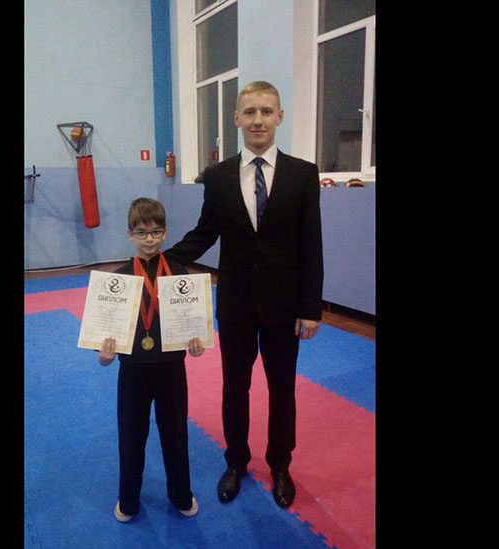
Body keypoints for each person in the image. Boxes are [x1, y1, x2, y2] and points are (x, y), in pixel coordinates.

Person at [164, 81, 323, 509]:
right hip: (235, 304)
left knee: (282, 389)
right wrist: (159, 262)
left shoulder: (303, 174)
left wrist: (310, 308)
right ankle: (235, 461)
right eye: (249, 112)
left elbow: (312, 244)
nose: (258, 120)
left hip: (285, 306)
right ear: (236, 118)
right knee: (235, 387)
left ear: (280, 117)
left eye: (266, 111)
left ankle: (280, 464)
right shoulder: (218, 177)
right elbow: (204, 233)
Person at [98, 197, 206, 523]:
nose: (149, 239)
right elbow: (104, 337)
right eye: (142, 232)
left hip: (172, 368)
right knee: (131, 436)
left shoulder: (179, 274)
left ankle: (181, 493)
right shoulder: (118, 279)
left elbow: (193, 328)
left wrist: (196, 345)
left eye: (156, 232)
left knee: (176, 434)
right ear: (130, 234)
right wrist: (104, 357)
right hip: (132, 371)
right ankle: (129, 499)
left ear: (165, 233)